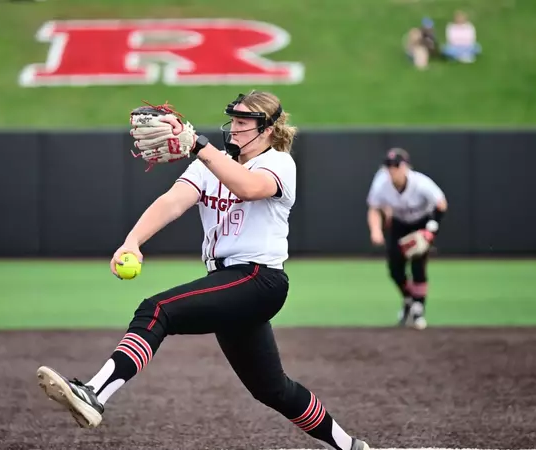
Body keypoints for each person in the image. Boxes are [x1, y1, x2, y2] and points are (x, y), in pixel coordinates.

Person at [36, 90, 370, 450]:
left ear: (268, 130)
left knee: (157, 310)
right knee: (273, 389)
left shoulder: (278, 163)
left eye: (245, 123)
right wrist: (132, 241)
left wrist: (198, 144)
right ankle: (349, 446)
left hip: (260, 279)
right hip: (229, 285)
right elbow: (172, 202)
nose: (235, 129)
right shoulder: (210, 163)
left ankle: (94, 392)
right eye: (234, 121)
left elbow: (248, 186)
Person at [366, 148, 447, 330]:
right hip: (399, 223)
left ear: (405, 167)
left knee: (418, 264)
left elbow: (441, 204)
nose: (392, 170)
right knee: (395, 269)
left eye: (396, 166)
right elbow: (374, 208)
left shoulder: (421, 183)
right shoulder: (381, 184)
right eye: (389, 166)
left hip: (421, 222)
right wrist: (376, 230)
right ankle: (408, 299)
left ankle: (418, 309)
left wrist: (430, 230)